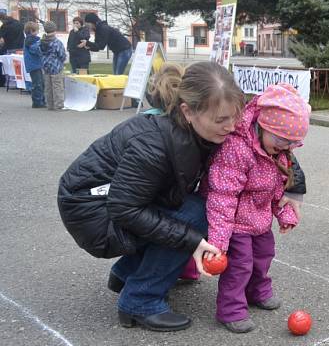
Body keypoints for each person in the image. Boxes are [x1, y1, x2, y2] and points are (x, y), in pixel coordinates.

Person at [57, 62, 245, 332]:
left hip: (115, 200)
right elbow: (125, 209)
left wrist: (292, 186)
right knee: (197, 216)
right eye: (220, 120)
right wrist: (191, 242)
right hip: (92, 211)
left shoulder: (194, 128)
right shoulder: (154, 144)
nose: (231, 127)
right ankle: (139, 301)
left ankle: (126, 274)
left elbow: (257, 129)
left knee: (195, 210)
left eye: (234, 117)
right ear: (188, 111)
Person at [203, 83, 310, 333]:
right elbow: (222, 196)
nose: (286, 148)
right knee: (240, 265)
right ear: (263, 126)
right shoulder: (237, 149)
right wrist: (218, 241)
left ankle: (256, 291)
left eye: (291, 145)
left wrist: (284, 213)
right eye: (282, 141)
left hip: (259, 221)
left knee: (263, 257)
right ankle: (230, 309)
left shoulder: (275, 151)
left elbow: (275, 189)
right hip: (236, 222)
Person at [38, 21, 67, 111]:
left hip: (46, 66)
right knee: (57, 86)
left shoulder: (41, 42)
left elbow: (39, 52)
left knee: (48, 86)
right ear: (54, 30)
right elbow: (62, 54)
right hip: (56, 66)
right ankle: (58, 105)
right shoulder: (56, 42)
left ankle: (50, 104)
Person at [23, 21, 46, 108]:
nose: (38, 32)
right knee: (38, 83)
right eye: (37, 30)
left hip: (35, 64)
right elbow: (34, 50)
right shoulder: (31, 40)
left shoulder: (31, 39)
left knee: (41, 82)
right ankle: (37, 102)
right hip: (34, 64)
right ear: (32, 31)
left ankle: (41, 100)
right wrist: (41, 45)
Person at [0, 13, 25, 87]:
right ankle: (19, 83)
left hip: (9, 48)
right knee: (19, 66)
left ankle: (9, 83)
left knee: (9, 67)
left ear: (2, 19)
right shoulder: (19, 23)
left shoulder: (5, 26)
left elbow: (2, 40)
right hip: (20, 48)